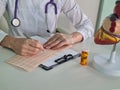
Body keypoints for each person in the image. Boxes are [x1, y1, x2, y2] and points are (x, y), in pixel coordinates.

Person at [0, 0, 94, 56]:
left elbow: (87, 25)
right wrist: (12, 42)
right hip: (13, 50)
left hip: (48, 51)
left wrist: (73, 37)